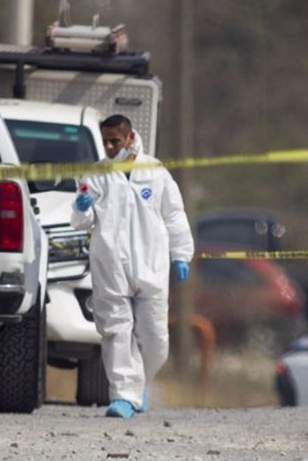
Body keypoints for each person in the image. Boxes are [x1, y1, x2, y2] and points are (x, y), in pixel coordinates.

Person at [70, 114, 194, 418]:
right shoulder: (96, 175)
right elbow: (80, 220)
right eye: (106, 142)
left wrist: (181, 255)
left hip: (151, 264)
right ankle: (124, 395)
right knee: (116, 331)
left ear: (130, 137)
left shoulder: (155, 171)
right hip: (110, 264)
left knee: (155, 338)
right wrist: (80, 208)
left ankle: (140, 386)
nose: (110, 147)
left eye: (116, 140)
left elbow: (174, 215)